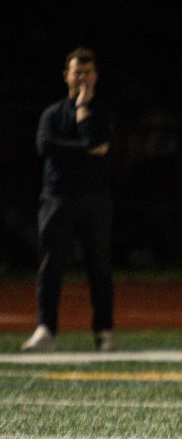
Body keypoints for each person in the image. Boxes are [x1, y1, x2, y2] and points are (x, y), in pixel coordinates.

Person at [22, 47, 116, 353]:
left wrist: (83, 113)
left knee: (99, 266)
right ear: (67, 76)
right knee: (51, 266)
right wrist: (86, 149)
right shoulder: (51, 114)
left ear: (96, 76)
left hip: (95, 199)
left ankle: (104, 332)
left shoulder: (102, 112)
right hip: (57, 198)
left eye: (88, 72)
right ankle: (45, 328)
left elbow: (97, 143)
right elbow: (46, 147)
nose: (83, 78)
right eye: (77, 72)